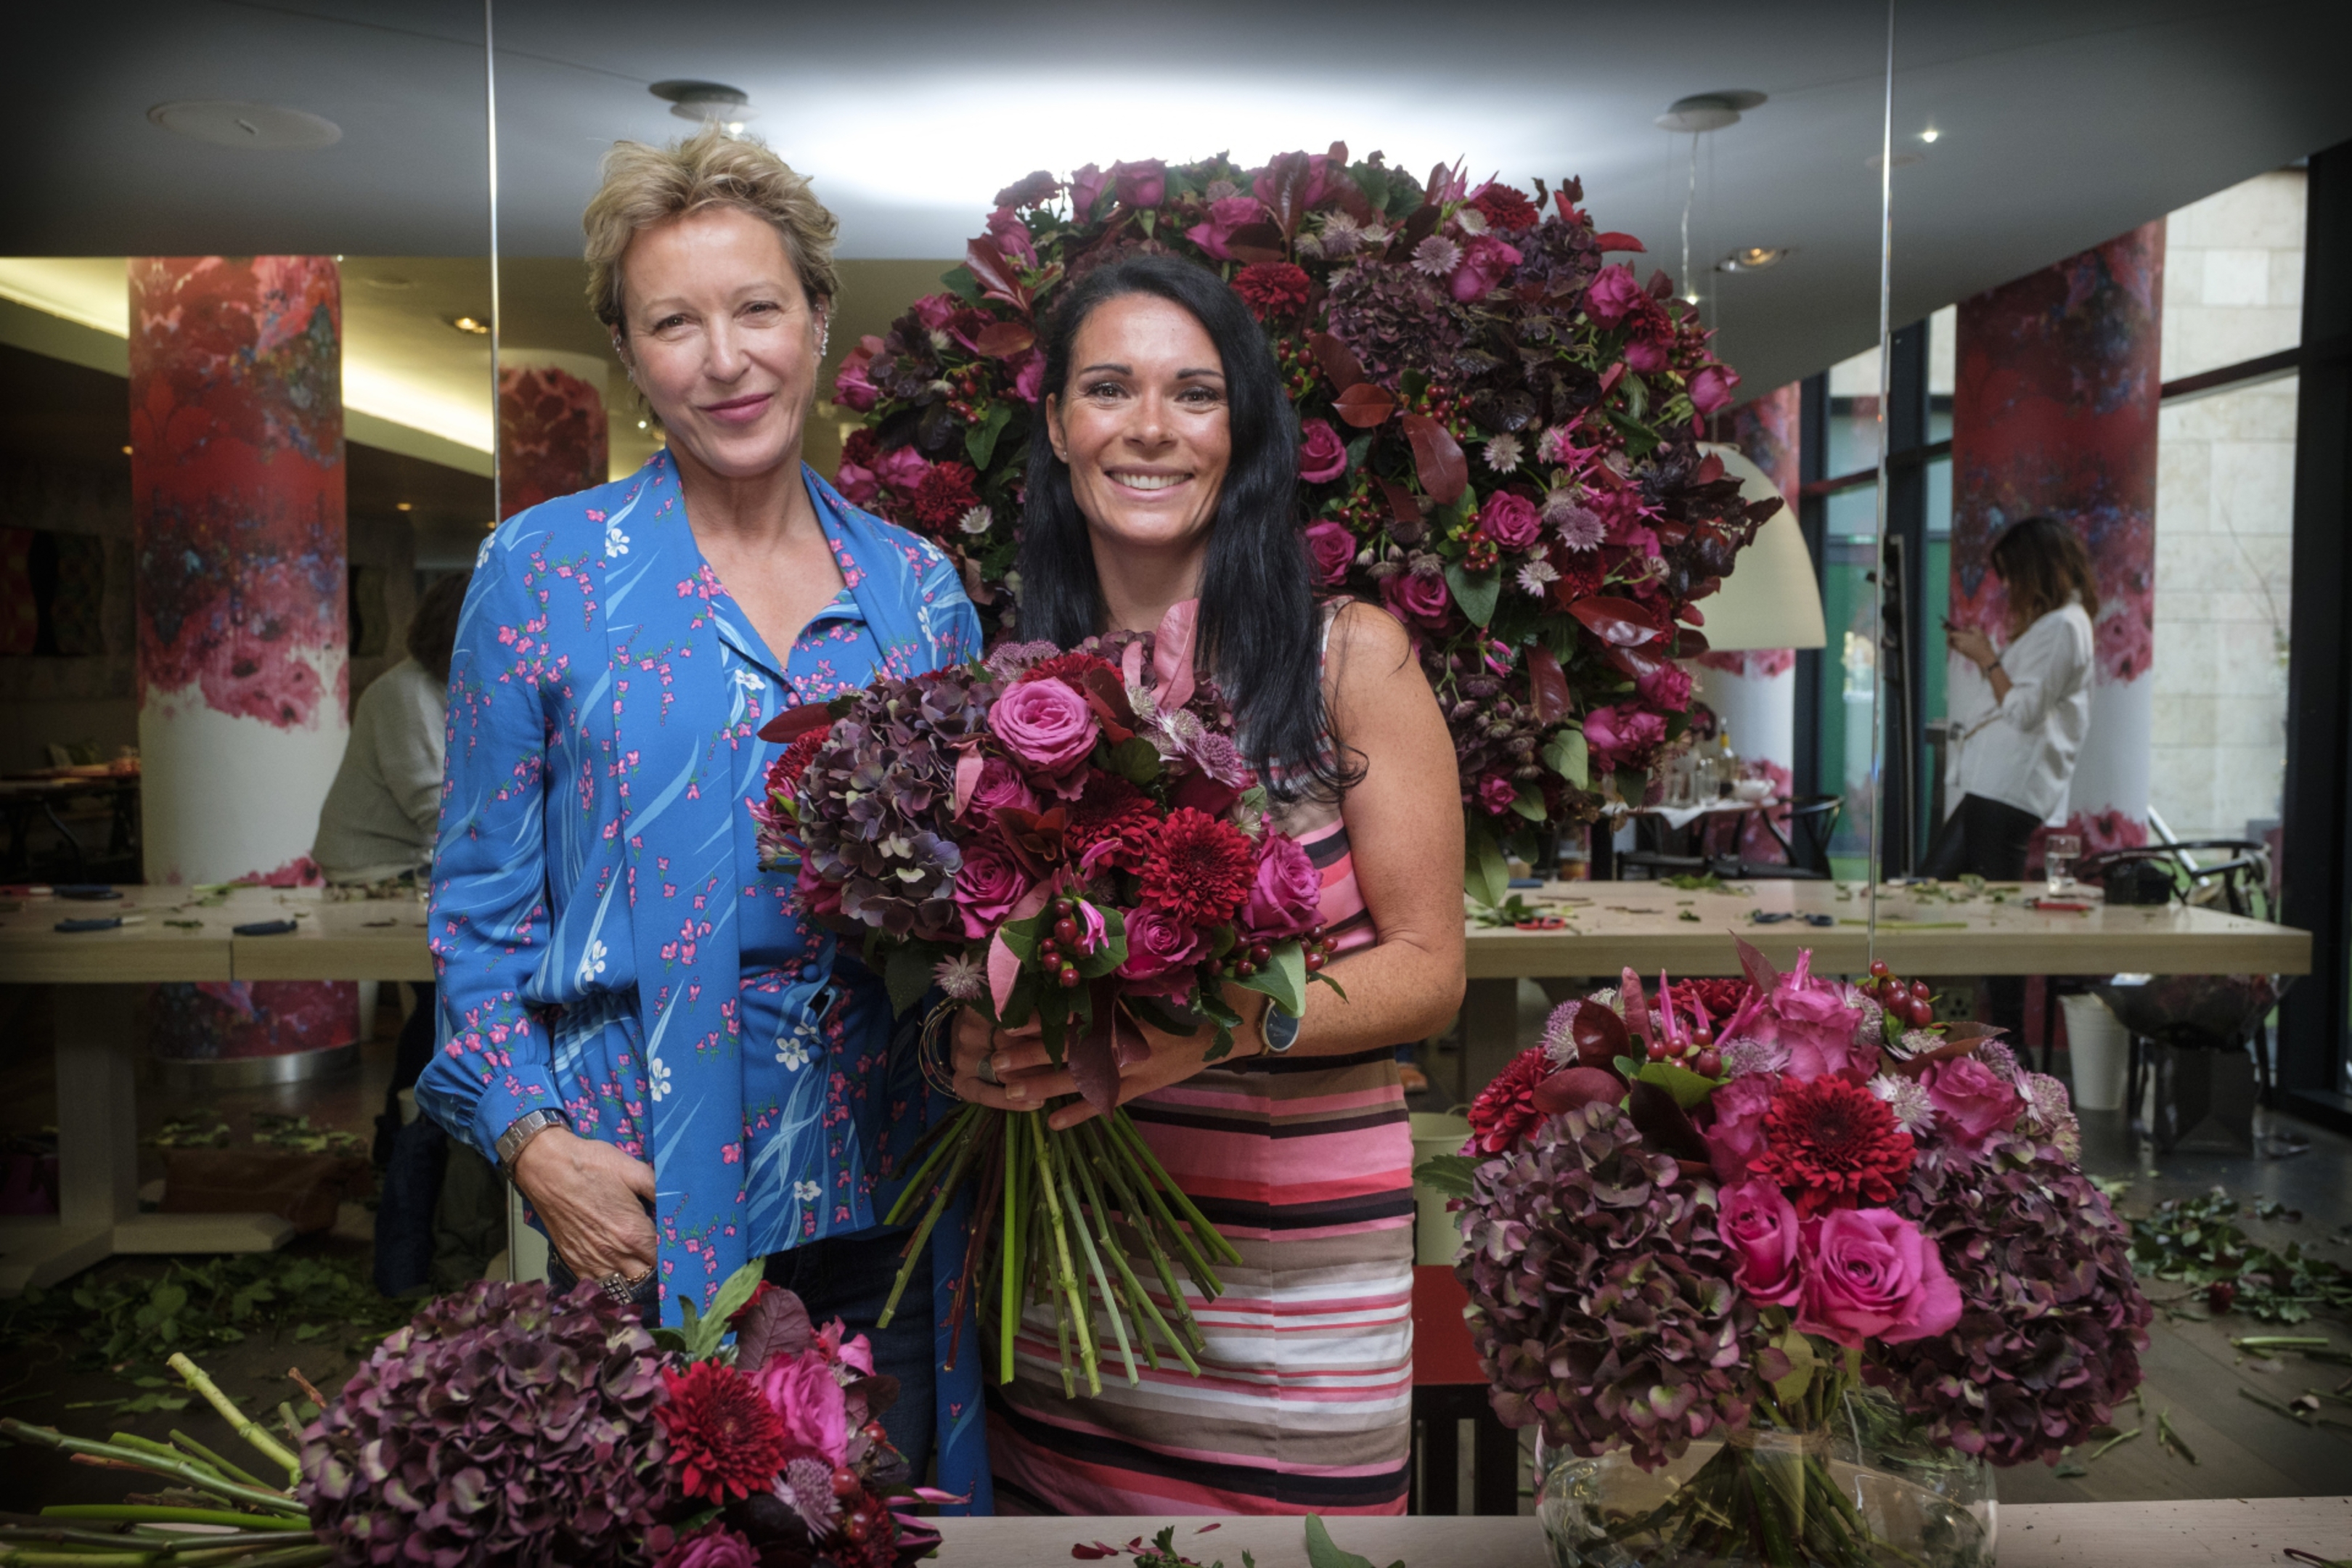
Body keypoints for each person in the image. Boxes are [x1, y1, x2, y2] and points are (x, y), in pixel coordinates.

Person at [416, 124, 985, 1503]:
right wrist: (533, 1148)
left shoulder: (920, 591)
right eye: (676, 322)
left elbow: (978, 904)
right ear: (631, 353)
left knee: (887, 1524)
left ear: (817, 321)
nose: (725, 359)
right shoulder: (543, 572)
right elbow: (478, 914)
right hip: (641, 1196)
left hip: (891, 1188)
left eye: (756, 308)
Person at [949, 255, 1466, 1515]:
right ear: (1060, 429)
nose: (1149, 427)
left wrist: (1211, 1027)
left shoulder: (1349, 657)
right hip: (1072, 1299)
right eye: (1109, 388)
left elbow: (1431, 972)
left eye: (1193, 394)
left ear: (1242, 433)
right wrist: (973, 1040)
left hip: (1295, 1303)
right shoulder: (1002, 679)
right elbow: (982, 952)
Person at [312, 568, 469, 1164]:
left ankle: (409, 1140)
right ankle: (401, 1140)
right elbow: (434, 806)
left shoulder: (442, 687)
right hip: (375, 875)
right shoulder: (405, 693)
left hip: (414, 867)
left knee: (441, 1003)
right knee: (441, 1003)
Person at [1928, 513, 2099, 1029]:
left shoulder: (2065, 627)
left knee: (1990, 912)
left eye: (2011, 576)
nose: (2006, 589)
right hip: (1994, 788)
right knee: (1928, 889)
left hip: (2007, 790)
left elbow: (2024, 712)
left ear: (2034, 570)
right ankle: (1954, 1030)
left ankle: (2006, 1041)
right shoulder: (2060, 626)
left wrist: (1987, 658)